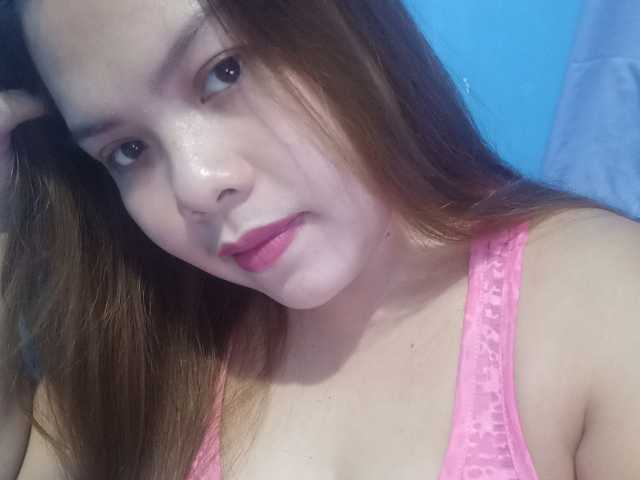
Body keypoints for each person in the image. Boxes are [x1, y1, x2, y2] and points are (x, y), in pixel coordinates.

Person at [0, 1, 638, 479]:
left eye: (224, 71)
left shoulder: (603, 309)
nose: (196, 185)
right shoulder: (144, 356)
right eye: (127, 151)